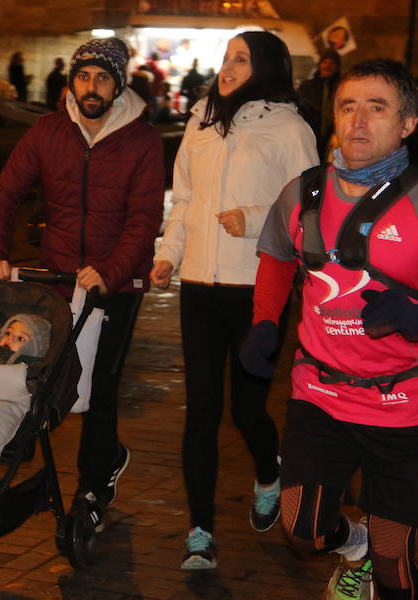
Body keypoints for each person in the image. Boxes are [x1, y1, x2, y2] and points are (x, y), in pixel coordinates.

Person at [242, 59, 418, 600]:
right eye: (348, 106)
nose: (359, 121)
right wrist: (265, 324)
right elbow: (276, 257)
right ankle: (354, 547)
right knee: (304, 530)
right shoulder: (304, 193)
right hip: (319, 393)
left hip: (405, 407)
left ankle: (378, 562)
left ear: (407, 123)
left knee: (400, 570)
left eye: (377, 107)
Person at [0, 37, 164, 533]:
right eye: (84, 76)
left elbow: (145, 218)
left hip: (116, 285)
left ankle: (93, 484)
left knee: (100, 386)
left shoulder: (142, 141)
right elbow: (6, 195)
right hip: (57, 278)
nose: (92, 86)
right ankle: (12, 468)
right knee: (44, 379)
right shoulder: (47, 132)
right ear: (71, 81)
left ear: (118, 84)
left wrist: (111, 269)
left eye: (102, 77)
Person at [150, 31, 318, 571]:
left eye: (241, 59)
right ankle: (199, 531)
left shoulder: (290, 127)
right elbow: (186, 199)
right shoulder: (201, 121)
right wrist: (169, 256)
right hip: (198, 284)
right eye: (225, 58)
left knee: (248, 410)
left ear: (265, 65)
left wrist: (252, 220)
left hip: (257, 288)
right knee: (200, 413)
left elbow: (309, 210)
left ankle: (269, 472)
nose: (228, 68)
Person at [298, 48, 342, 159]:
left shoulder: (342, 88)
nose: (327, 66)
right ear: (320, 64)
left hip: (333, 139)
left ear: (337, 67)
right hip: (309, 139)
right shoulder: (307, 86)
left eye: (332, 63)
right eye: (325, 62)